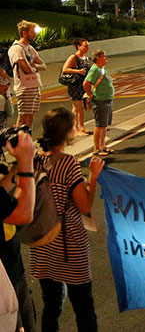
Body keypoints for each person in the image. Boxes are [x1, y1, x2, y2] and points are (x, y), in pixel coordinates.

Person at [32, 108, 105, 332]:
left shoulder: (33, 161)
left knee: (51, 305)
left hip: (42, 242)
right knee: (83, 306)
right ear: (67, 133)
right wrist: (93, 176)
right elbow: (84, 206)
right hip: (68, 244)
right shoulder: (68, 164)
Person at [1, 128, 37, 332]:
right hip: (6, 274)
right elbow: (22, 214)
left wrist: (15, 169)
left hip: (12, 265)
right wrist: (26, 164)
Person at [8, 20, 47, 128]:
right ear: (24, 32)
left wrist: (35, 67)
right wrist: (34, 67)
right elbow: (27, 69)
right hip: (24, 87)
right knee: (23, 118)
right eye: (32, 32)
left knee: (30, 118)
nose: (35, 34)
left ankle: (27, 141)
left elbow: (44, 66)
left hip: (35, 86)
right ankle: (19, 142)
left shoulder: (30, 49)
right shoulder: (16, 49)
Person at [83, 50, 115, 156]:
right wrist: (90, 94)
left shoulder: (102, 68)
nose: (106, 58)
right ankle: (96, 149)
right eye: (104, 56)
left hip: (107, 99)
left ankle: (102, 145)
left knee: (104, 125)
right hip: (100, 100)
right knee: (100, 125)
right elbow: (86, 83)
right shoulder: (95, 70)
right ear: (98, 58)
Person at [60, 38, 92, 136]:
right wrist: (78, 71)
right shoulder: (74, 57)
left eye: (88, 45)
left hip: (83, 85)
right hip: (75, 85)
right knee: (77, 107)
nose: (87, 47)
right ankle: (75, 128)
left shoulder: (85, 58)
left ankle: (82, 127)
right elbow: (65, 69)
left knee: (81, 107)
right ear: (79, 47)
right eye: (85, 46)